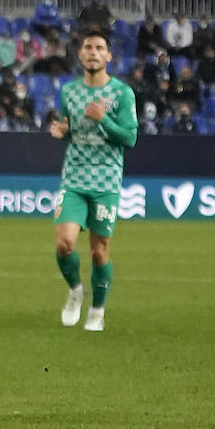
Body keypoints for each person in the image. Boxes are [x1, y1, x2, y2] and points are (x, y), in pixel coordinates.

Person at [50, 31, 138, 332]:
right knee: (64, 244)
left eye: (100, 48)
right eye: (88, 47)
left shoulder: (123, 93)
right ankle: (75, 291)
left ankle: (97, 310)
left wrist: (103, 118)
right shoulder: (68, 92)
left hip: (106, 183)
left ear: (109, 56)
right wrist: (62, 132)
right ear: (80, 54)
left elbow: (130, 138)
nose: (93, 52)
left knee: (99, 251)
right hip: (73, 179)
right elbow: (69, 127)